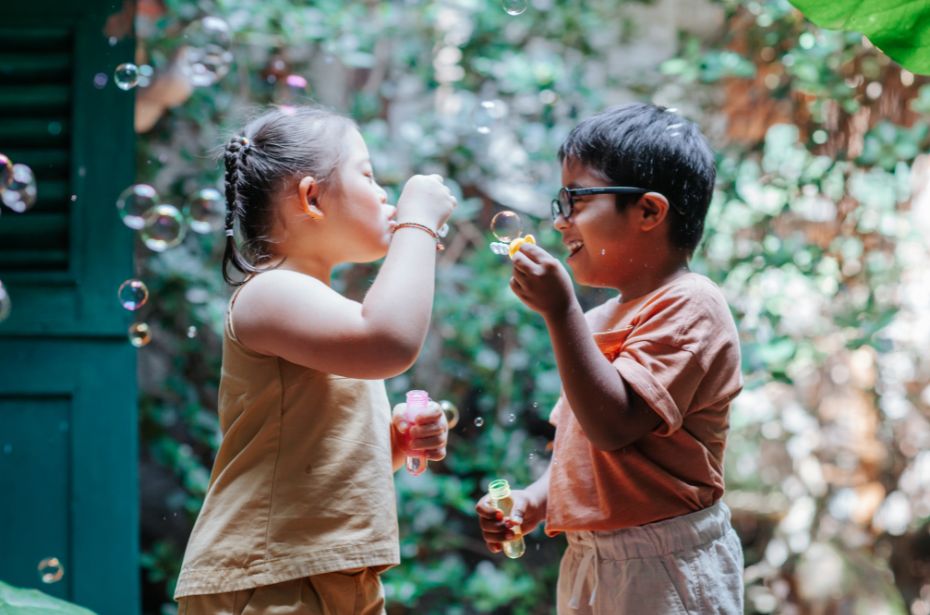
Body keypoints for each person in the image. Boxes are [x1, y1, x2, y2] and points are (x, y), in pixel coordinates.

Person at [174, 105, 456, 614]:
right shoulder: (268, 293)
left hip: (323, 569)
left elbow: (318, 459)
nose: (384, 194)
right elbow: (389, 342)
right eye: (368, 176)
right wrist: (418, 221)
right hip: (271, 574)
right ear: (311, 197)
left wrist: (393, 443)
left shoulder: (328, 316)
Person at [475, 103, 744, 614]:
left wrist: (560, 312)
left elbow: (615, 425)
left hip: (666, 563)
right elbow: (586, 455)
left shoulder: (692, 303)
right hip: (592, 560)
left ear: (648, 212)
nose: (559, 221)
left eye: (574, 199)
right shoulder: (596, 321)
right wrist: (534, 501)